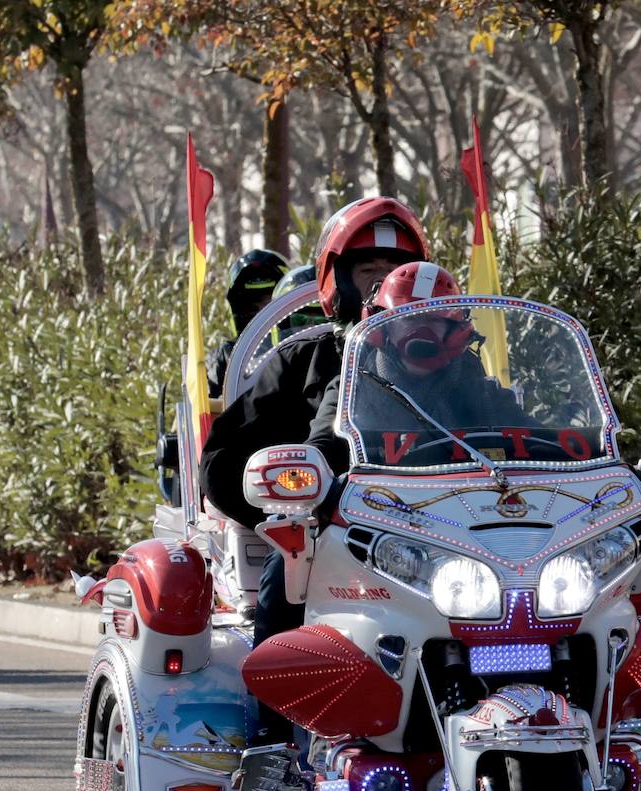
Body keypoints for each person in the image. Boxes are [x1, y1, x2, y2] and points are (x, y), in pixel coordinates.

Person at [201, 197, 428, 656]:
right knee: (286, 566)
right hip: (328, 537)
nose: (382, 281)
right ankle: (273, 716)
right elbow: (221, 463)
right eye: (368, 269)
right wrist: (287, 509)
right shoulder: (300, 360)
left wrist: (582, 451)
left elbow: (506, 428)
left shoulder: (450, 359)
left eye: (395, 268)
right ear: (337, 279)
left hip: (434, 535)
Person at [307, 261, 532, 473]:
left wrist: (566, 443)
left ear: (456, 331)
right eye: (409, 319)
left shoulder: (479, 389)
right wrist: (307, 462)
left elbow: (537, 438)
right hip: (379, 507)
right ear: (381, 327)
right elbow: (321, 443)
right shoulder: (351, 390)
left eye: (434, 319)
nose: (421, 330)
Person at [207, 249, 289, 398]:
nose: (261, 313)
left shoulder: (304, 348)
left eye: (268, 304)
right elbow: (206, 411)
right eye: (252, 306)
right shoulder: (225, 357)